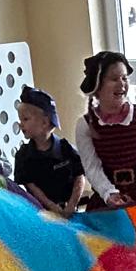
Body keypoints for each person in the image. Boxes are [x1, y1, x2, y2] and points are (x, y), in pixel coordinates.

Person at [71, 51, 136, 205]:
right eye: (114, 79)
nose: (122, 84)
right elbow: (92, 166)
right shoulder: (85, 125)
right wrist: (108, 192)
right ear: (97, 86)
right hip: (108, 195)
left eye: (124, 78)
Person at [13, 85, 84, 217]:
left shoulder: (66, 149)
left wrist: (71, 205)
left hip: (70, 211)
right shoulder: (23, 156)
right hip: (40, 214)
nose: (20, 124)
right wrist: (51, 206)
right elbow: (31, 187)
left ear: (45, 122)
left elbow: (79, 176)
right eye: (20, 119)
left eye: (25, 119)